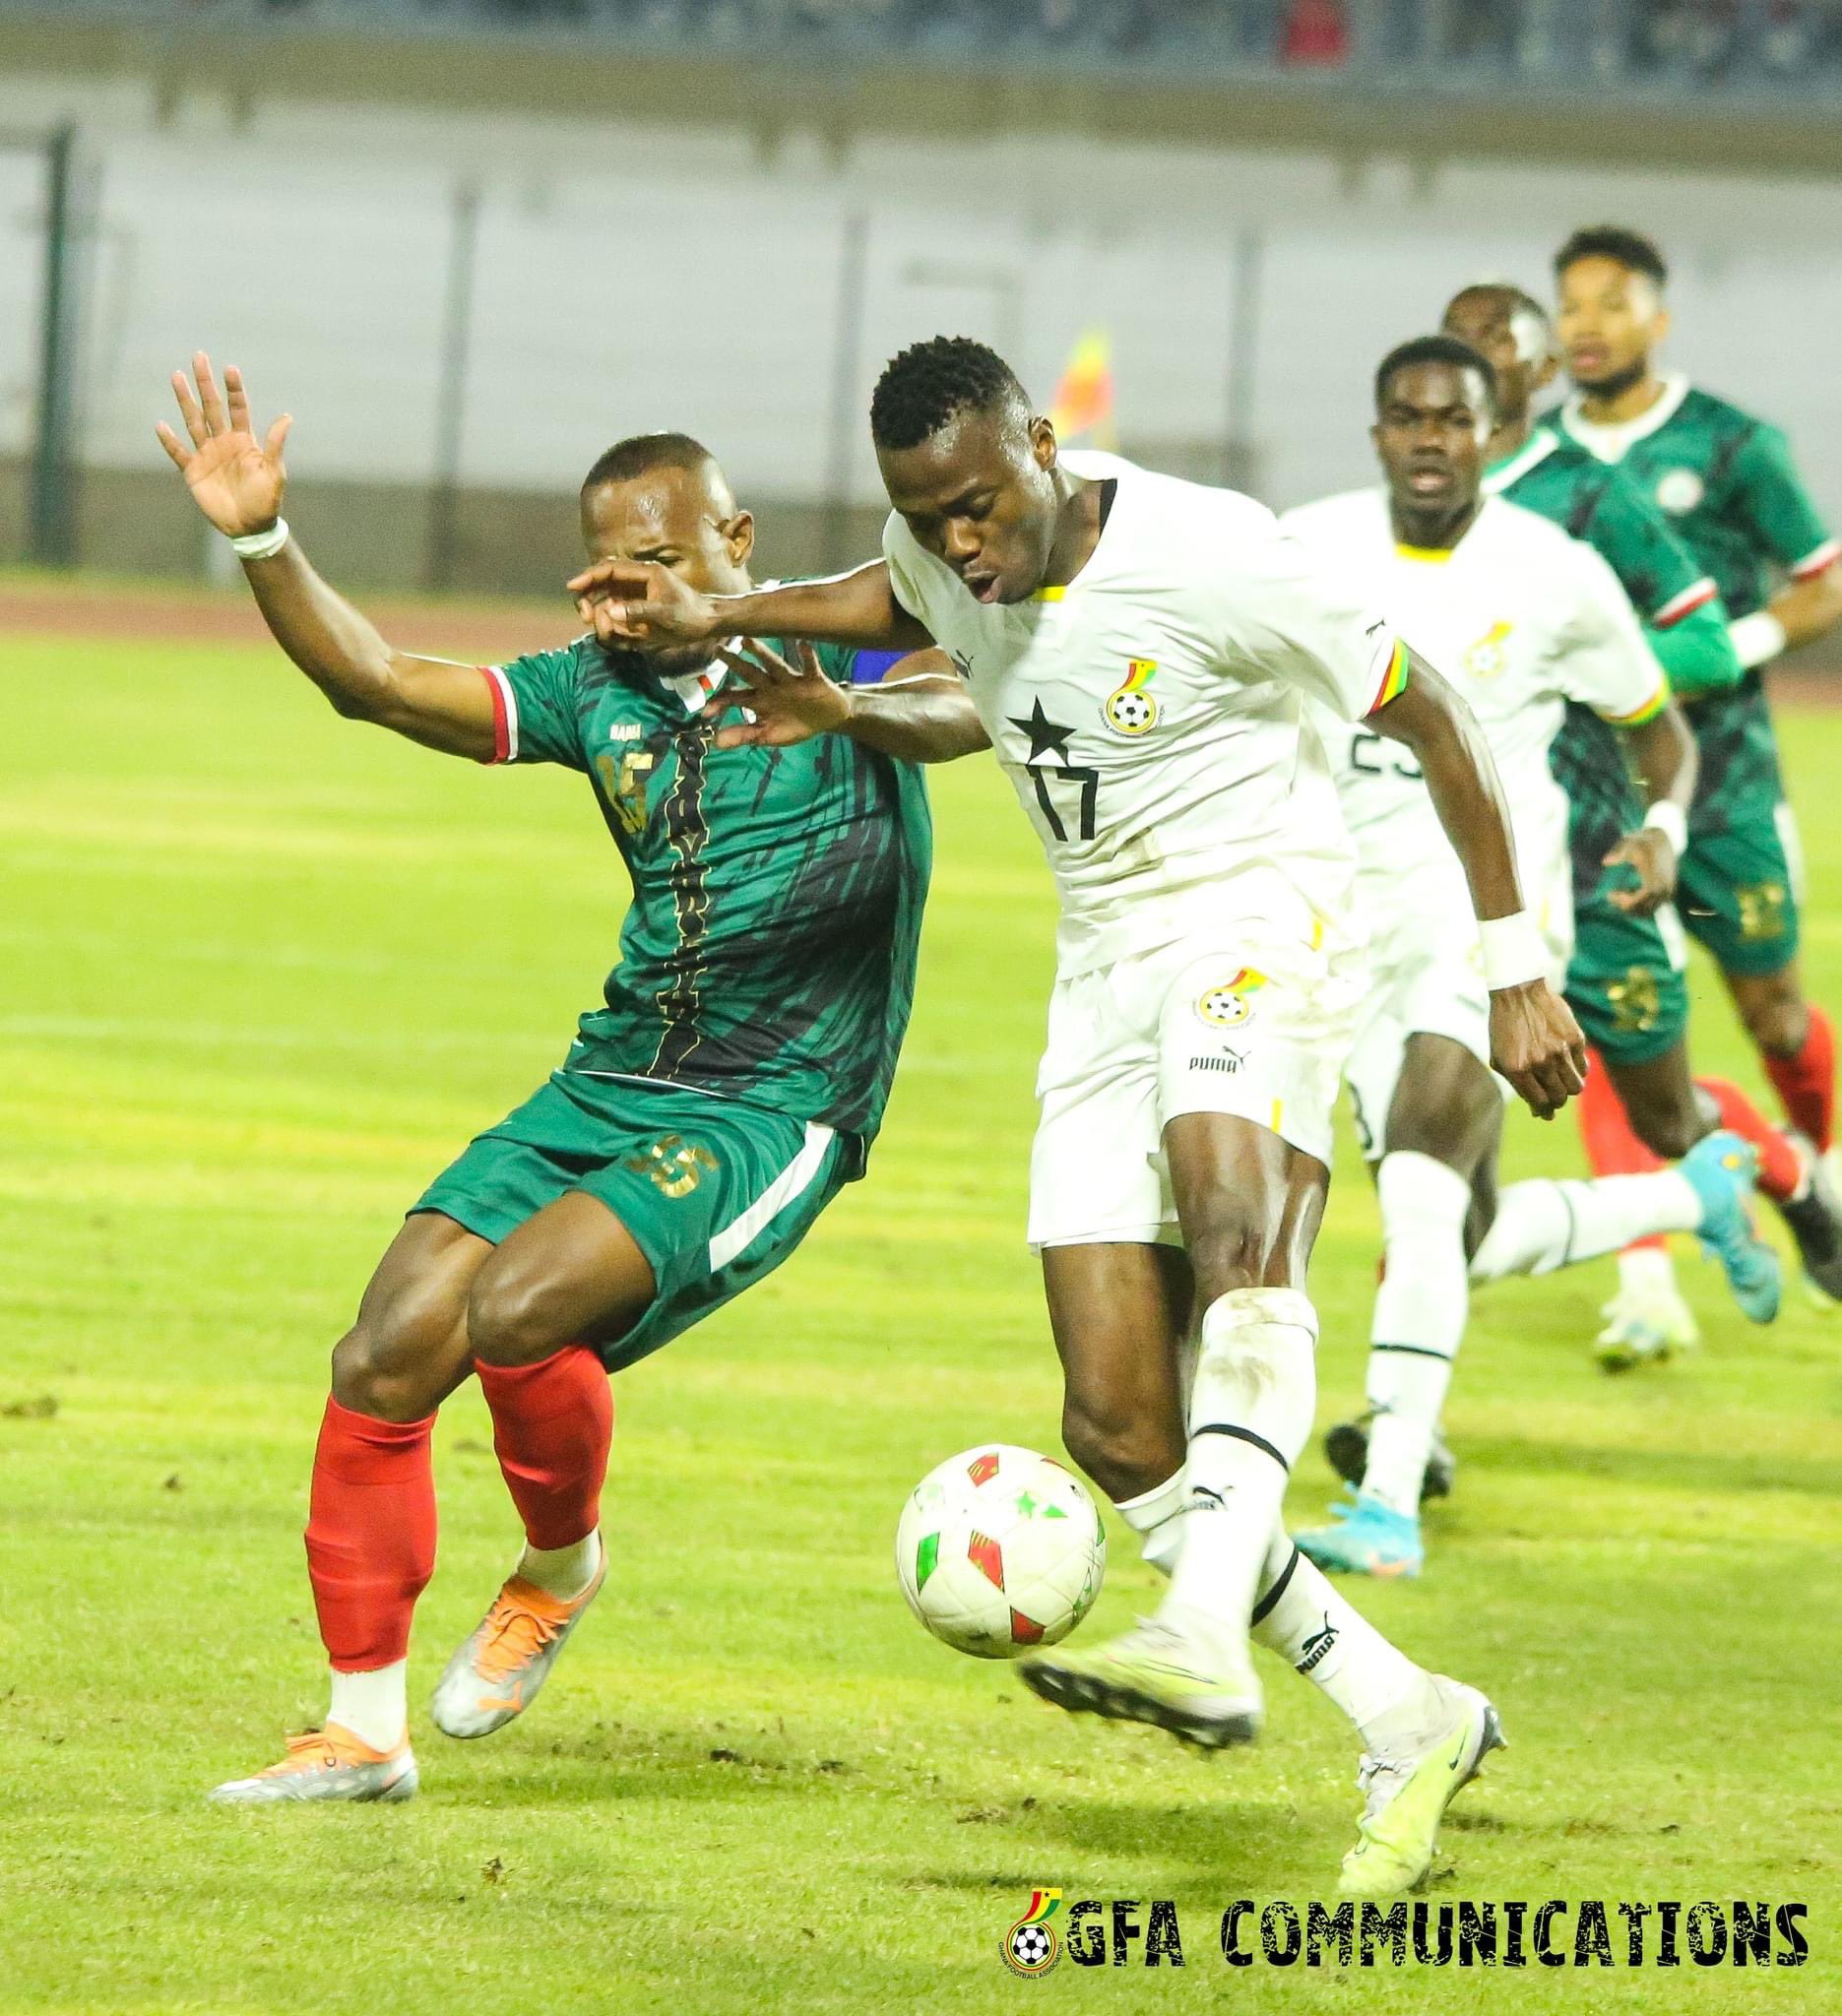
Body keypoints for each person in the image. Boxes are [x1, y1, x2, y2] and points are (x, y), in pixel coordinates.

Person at [570, 333, 1588, 1895]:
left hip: (1255, 916)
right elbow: (905, 618)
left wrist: (1510, 969)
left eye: (979, 507)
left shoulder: (1215, 557)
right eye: (932, 518)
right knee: (1114, 1428)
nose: (962, 544)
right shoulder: (940, 546)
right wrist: (769, 651)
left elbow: (1435, 714)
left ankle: (1199, 1632)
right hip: (1102, 966)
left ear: (1040, 444)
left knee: (1238, 1227)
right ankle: (1405, 1712)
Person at [155, 354, 934, 1804]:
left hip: (773, 1100)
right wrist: (262, 538)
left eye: (663, 558)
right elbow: (376, 682)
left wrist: (846, 709)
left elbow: (968, 698)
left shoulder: (840, 640)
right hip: (614, 1073)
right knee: (385, 1348)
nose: (633, 590)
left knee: (518, 1310)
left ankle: (558, 1570)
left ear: (734, 539)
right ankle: (361, 1732)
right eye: (609, 568)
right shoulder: (593, 690)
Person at [1281, 335, 1779, 1576]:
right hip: (1340, 931)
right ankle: (1689, 1196)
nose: (1429, 439)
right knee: (1461, 1228)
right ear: (1377, 433)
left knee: (1419, 1189)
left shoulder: (1553, 570)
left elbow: (1656, 733)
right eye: (1405, 417)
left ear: (1493, 431)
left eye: (1452, 418)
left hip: (1491, 925)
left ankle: (1386, 1503)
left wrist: (1661, 829)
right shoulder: (1303, 548)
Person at [1429, 283, 1842, 1369]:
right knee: (1427, 1158)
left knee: (1703, 1071)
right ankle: (1404, 1431)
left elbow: (1701, 642)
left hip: (1598, 837)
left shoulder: (1588, 495)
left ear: (1534, 376)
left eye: (1493, 344)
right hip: (1434, 862)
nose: (1464, 364)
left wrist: (1564, 667)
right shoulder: (1389, 513)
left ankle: (1787, 1172)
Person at [1555, 227, 1842, 1305]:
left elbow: (1819, 582)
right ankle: (1644, 1277)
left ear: (1656, 319)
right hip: (1592, 790)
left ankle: (1816, 1167)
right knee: (1613, 1013)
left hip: (1723, 785)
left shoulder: (1731, 446)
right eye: (1568, 305)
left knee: (1775, 1017)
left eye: (1609, 302)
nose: (1585, 325)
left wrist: (1729, 651)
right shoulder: (1539, 462)